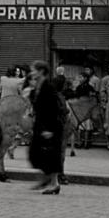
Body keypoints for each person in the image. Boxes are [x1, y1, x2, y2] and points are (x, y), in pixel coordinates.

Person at [28, 60, 66, 194]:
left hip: (50, 126)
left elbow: (53, 109)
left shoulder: (48, 87)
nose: (31, 72)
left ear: (41, 71)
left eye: (34, 70)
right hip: (41, 125)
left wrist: (49, 129)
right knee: (34, 154)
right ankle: (47, 179)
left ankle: (54, 183)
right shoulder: (38, 86)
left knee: (50, 155)